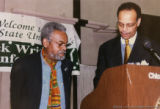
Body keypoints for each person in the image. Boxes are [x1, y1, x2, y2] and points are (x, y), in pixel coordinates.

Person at [94, 2, 160, 88]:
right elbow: (98, 82)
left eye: (129, 25)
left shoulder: (152, 48)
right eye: (121, 24)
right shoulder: (106, 49)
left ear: (138, 22)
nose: (124, 29)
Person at [10, 22, 73, 109]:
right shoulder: (23, 65)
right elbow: (16, 103)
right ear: (46, 42)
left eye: (65, 44)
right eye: (60, 44)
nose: (64, 48)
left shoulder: (67, 66)